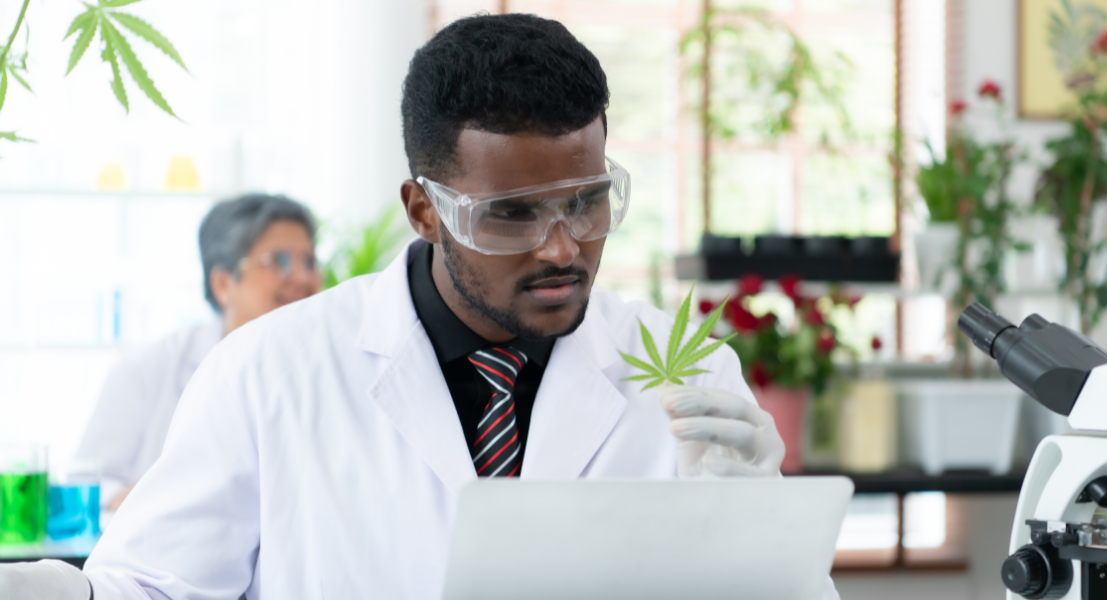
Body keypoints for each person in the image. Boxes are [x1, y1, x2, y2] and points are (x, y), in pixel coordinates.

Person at [0, 14, 839, 599]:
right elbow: (155, 587)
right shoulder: (269, 373)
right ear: (423, 208)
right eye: (511, 214)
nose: (561, 248)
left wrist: (766, 546)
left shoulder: (684, 367)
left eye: (586, 202)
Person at [73, 194, 322, 510]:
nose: (302, 278)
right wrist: (158, 499)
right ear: (222, 284)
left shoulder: (325, 370)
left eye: (309, 261)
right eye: (278, 261)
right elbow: (90, 485)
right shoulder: (148, 369)